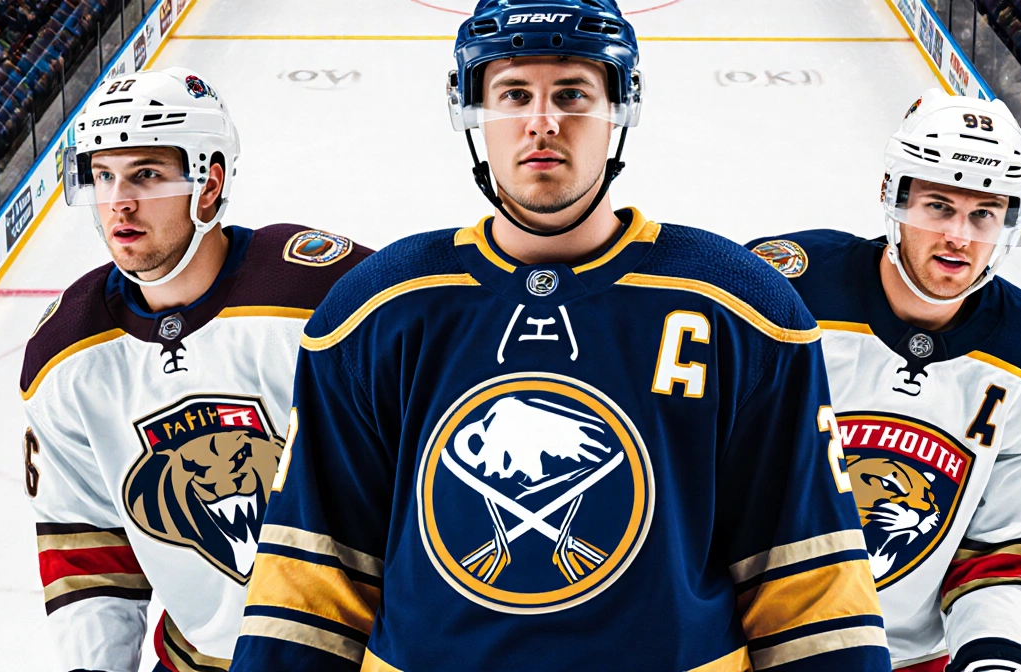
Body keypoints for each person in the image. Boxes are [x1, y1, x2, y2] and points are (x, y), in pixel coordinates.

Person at [230, 2, 889, 670]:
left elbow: (810, 584)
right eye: (514, 94)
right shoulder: (375, 310)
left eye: (572, 94)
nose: (542, 121)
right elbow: (311, 581)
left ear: (619, 110)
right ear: (472, 111)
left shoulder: (743, 307)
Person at [20, 67, 369, 672]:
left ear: (208, 184)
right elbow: (89, 552)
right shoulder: (66, 354)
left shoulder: (320, 297)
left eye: (146, 174)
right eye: (103, 175)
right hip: (199, 658)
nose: (119, 201)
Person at [748, 89, 1021, 672]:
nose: (960, 236)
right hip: (747, 638)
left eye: (983, 213)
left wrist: (997, 656)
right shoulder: (778, 294)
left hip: (907, 659)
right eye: (939, 206)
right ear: (894, 196)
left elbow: (1015, 551)